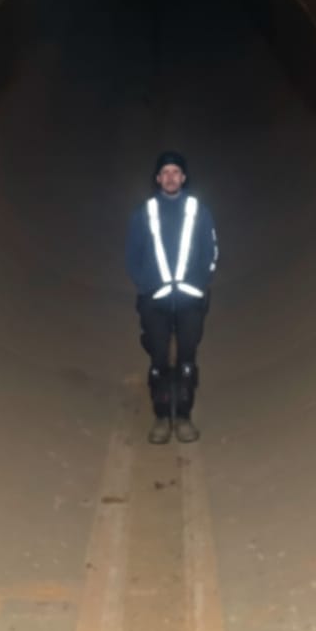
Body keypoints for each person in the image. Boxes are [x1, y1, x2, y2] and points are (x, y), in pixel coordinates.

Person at [125, 151, 218, 444]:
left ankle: (184, 417)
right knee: (159, 360)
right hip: (155, 299)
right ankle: (162, 416)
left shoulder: (198, 210)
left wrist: (201, 282)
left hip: (190, 298)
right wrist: (145, 285)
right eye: (165, 172)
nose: (170, 177)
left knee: (187, 361)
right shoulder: (145, 212)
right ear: (157, 179)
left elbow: (211, 251)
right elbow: (132, 255)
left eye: (176, 172)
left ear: (184, 177)